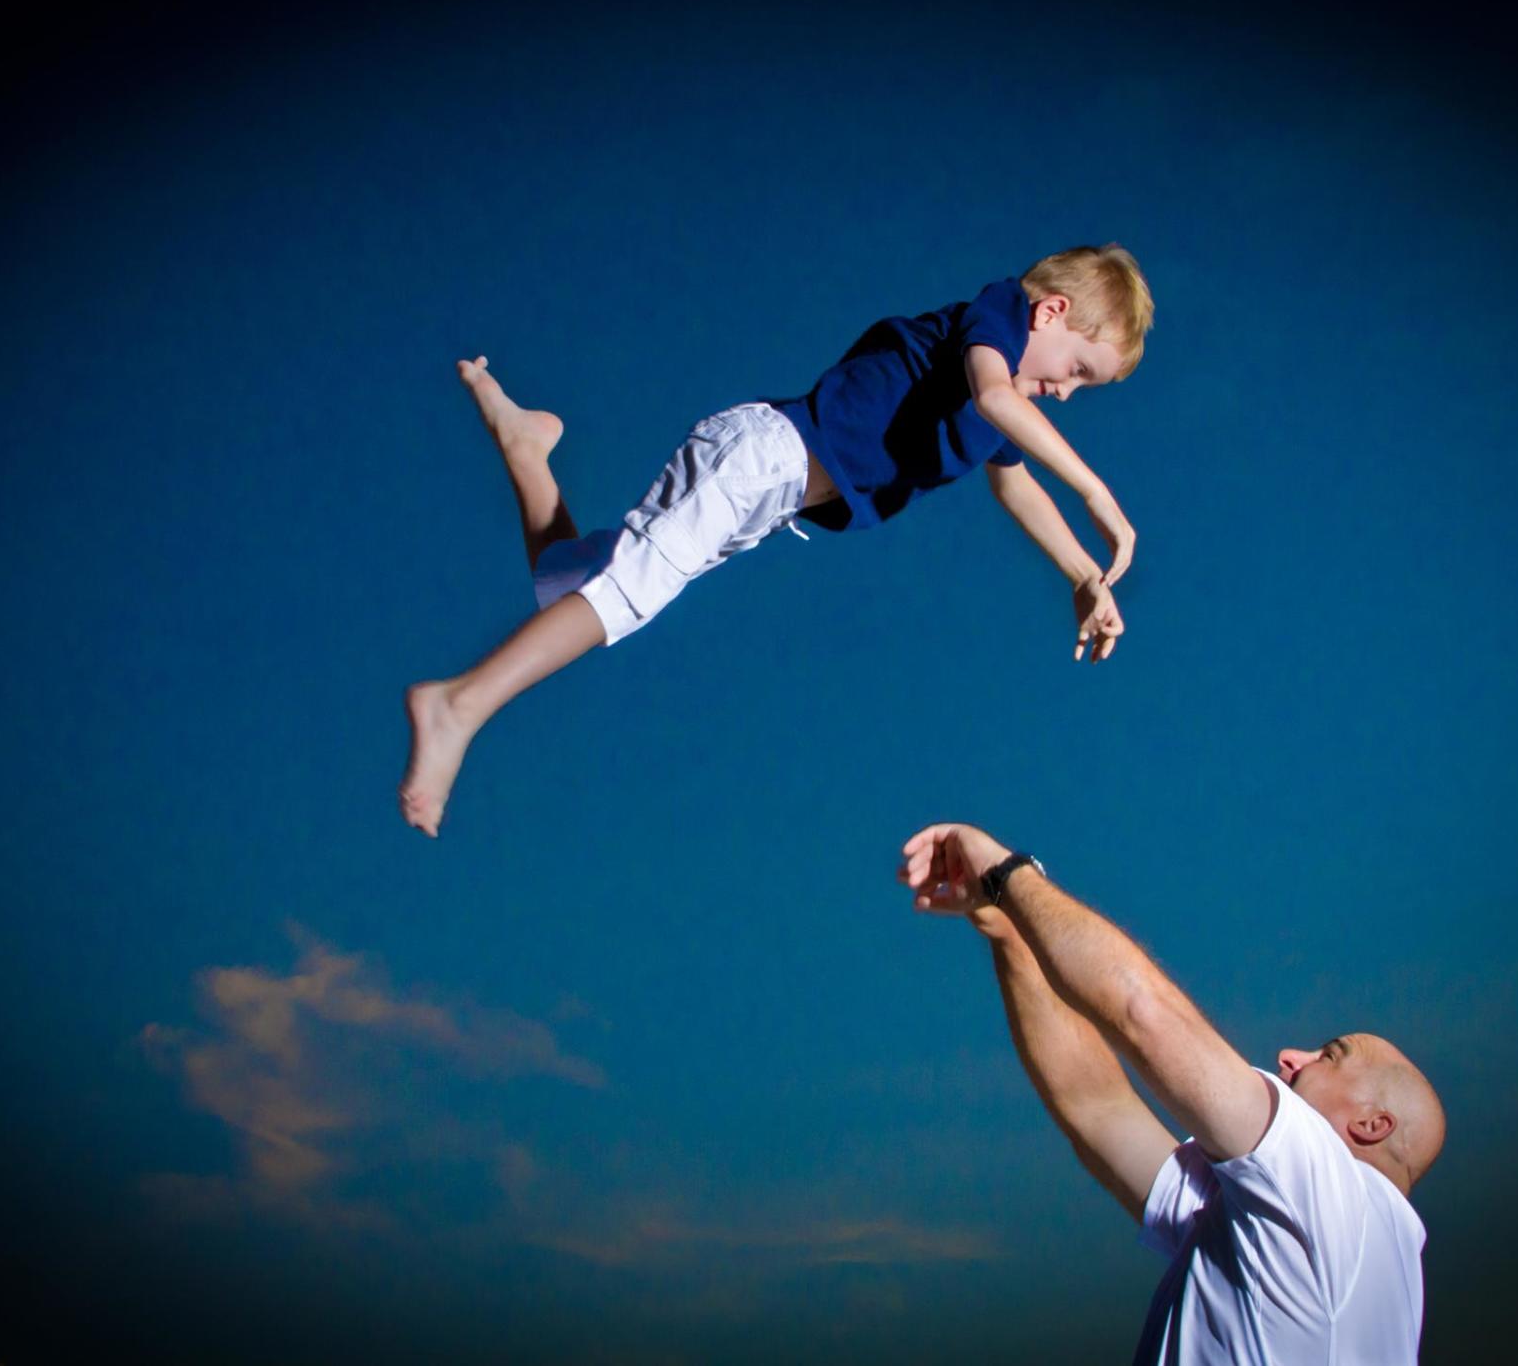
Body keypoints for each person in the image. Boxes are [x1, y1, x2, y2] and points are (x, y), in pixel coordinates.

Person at [399, 246, 1154, 836]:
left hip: (772, 495)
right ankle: (458, 706)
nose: (1065, 393)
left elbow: (1013, 483)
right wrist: (1097, 493)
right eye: (1076, 371)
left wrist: (1084, 575)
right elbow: (995, 395)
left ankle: (525, 449)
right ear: (1051, 311)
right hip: (763, 452)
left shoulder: (997, 406)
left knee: (575, 589)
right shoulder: (997, 319)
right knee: (625, 595)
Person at [898, 822, 1446, 1365]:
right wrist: (1006, 926)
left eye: (1329, 1056)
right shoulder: (1311, 1240)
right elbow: (1097, 1108)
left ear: (1372, 1125)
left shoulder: (1337, 1198)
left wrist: (1007, 873)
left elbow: (1143, 1012)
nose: (1290, 1057)